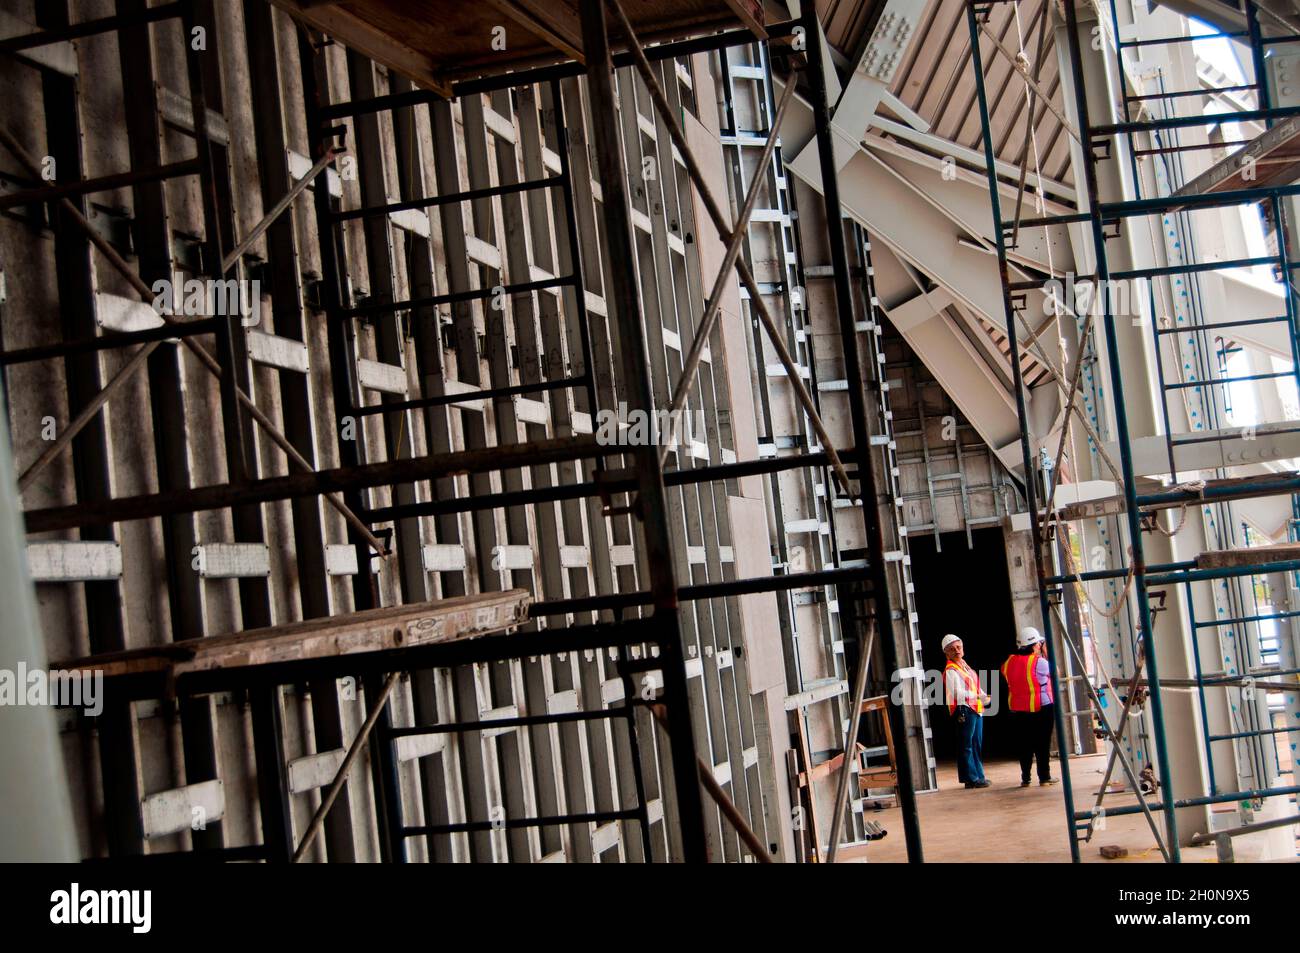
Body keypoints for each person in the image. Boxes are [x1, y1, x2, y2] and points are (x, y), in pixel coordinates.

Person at [1001, 626, 1059, 787]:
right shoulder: (1039, 662)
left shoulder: (1009, 662)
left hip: (1018, 710)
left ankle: (1025, 778)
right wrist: (1046, 652)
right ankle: (1044, 777)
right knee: (1042, 743)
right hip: (1041, 708)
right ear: (1036, 645)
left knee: (1024, 744)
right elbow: (1056, 673)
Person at [942, 634, 991, 789]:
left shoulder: (964, 665)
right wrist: (978, 696)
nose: (957, 651)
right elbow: (956, 693)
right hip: (965, 709)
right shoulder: (951, 670)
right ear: (946, 653)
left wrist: (983, 695)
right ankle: (971, 778)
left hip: (975, 708)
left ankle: (979, 776)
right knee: (967, 745)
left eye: (958, 647)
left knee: (975, 744)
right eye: (952, 649)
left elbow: (974, 685)